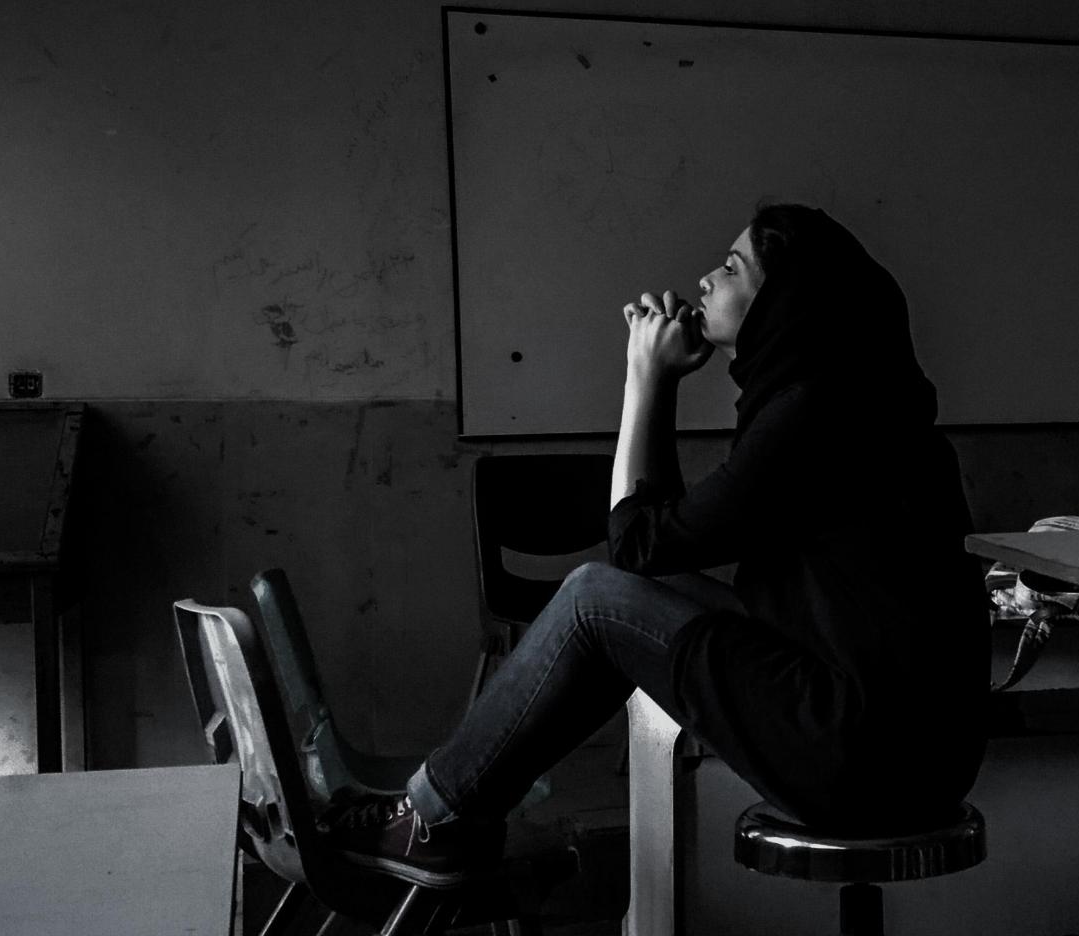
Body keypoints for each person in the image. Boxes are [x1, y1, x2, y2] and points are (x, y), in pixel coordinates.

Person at [330, 204, 988, 886]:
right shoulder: (857, 402)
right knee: (624, 591)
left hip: (864, 757)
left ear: (783, 304)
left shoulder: (817, 417)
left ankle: (430, 821)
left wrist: (644, 378)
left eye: (732, 268)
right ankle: (447, 814)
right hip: (911, 754)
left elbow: (635, 545)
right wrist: (661, 384)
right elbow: (660, 550)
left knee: (592, 598)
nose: (706, 279)